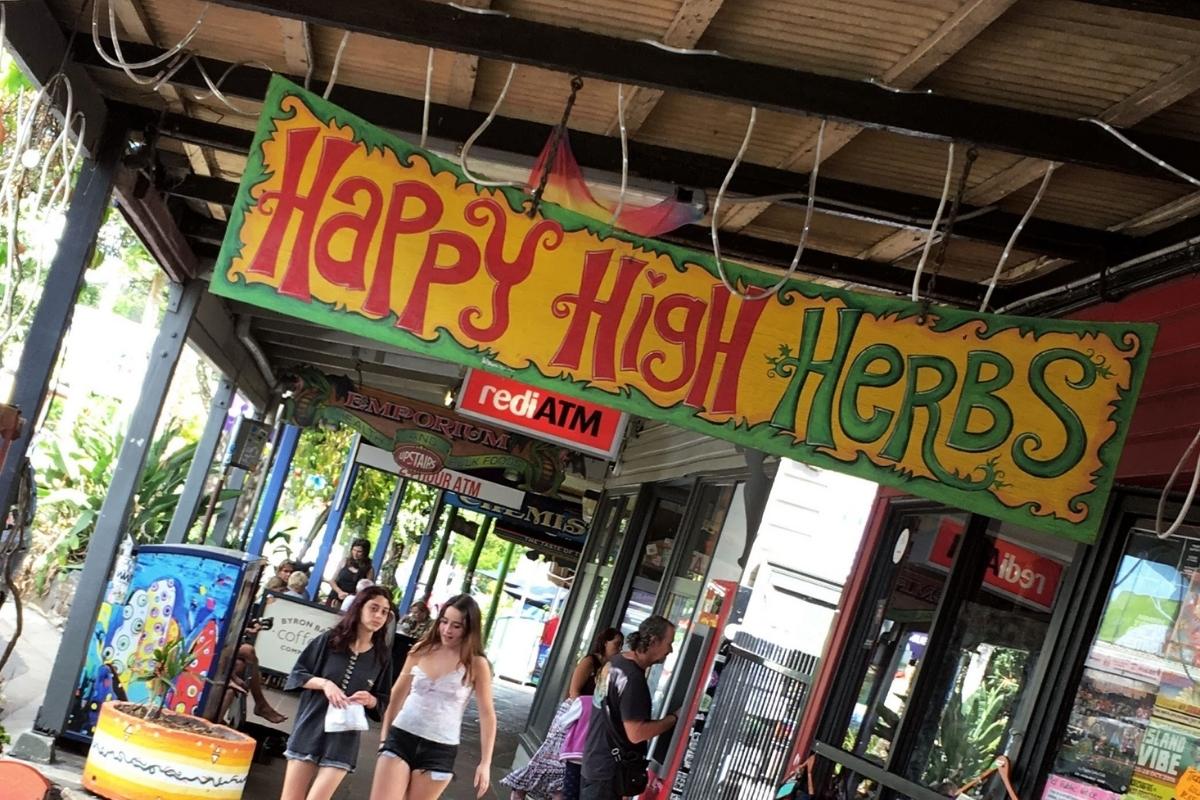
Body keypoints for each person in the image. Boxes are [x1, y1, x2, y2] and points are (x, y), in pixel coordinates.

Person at [370, 594, 497, 800]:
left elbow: (487, 715)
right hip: (402, 734)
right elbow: (397, 695)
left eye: (456, 626)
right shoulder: (421, 650)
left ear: (470, 628)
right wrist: (384, 737)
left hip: (440, 747)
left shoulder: (477, 664)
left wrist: (485, 763)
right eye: (444, 622)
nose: (447, 630)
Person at [280, 586, 394, 800]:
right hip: (310, 727)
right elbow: (298, 674)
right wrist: (325, 684)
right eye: (374, 608)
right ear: (359, 608)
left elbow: (383, 701)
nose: (378, 616)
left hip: (344, 739)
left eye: (384, 612)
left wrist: (370, 700)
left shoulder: (382, 657)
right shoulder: (330, 640)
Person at [504, 627, 624, 800]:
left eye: (621, 645)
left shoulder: (610, 667)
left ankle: (552, 791)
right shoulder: (589, 661)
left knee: (565, 765)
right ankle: (522, 787)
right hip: (574, 713)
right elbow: (574, 690)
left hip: (589, 719)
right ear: (605, 643)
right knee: (552, 756)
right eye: (616, 644)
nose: (619, 648)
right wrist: (584, 709)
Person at [580, 616, 679, 800]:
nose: (671, 650)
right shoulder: (632, 677)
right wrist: (674, 719)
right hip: (608, 774)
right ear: (654, 641)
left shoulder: (615, 662)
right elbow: (636, 733)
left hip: (595, 763)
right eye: (669, 643)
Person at [329, 537, 374, 606]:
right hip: (335, 597)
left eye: (359, 552)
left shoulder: (369, 569)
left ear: (365, 552)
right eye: (354, 550)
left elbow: (367, 590)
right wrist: (340, 592)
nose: (355, 553)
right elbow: (332, 581)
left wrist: (350, 597)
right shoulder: (344, 561)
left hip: (352, 602)